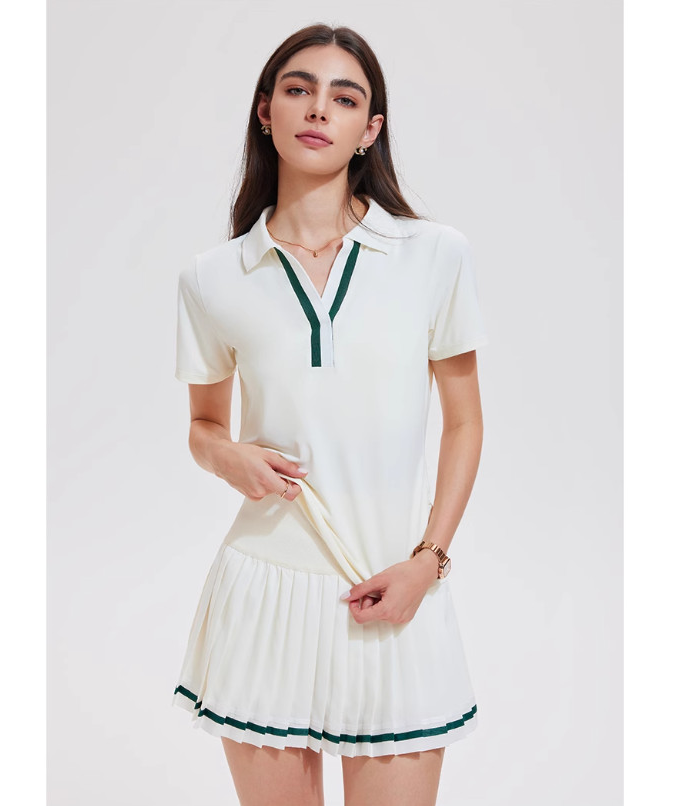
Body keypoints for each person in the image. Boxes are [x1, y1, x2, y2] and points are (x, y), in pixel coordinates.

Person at [171, 23, 489, 806]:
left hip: (393, 587)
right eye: (299, 89)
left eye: (345, 99)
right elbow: (203, 428)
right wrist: (228, 455)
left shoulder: (434, 255)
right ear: (266, 112)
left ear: (369, 130)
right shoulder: (213, 277)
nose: (319, 109)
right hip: (263, 594)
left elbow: (465, 421)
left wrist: (429, 561)